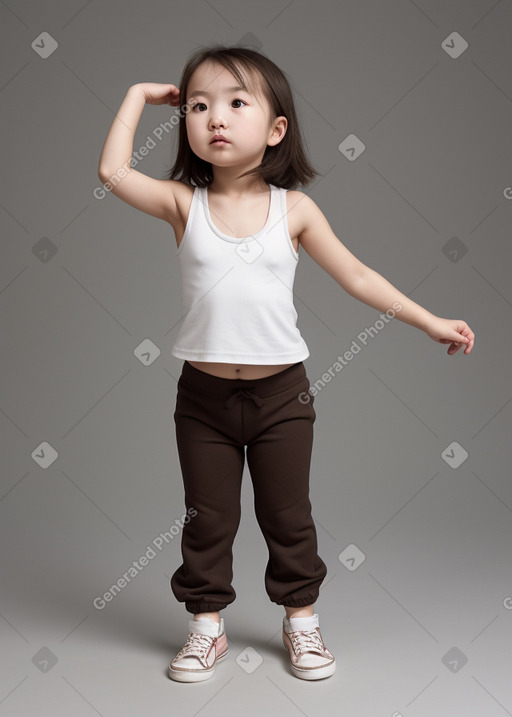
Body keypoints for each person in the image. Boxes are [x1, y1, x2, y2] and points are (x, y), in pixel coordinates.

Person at [97, 44, 475, 684]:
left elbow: (357, 275)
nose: (215, 117)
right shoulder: (183, 204)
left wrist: (430, 320)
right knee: (208, 516)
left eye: (236, 103)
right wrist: (138, 96)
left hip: (282, 398)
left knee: (287, 513)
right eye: (198, 105)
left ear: (276, 130)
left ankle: (301, 622)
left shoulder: (293, 210)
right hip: (204, 401)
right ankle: (206, 627)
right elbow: (112, 173)